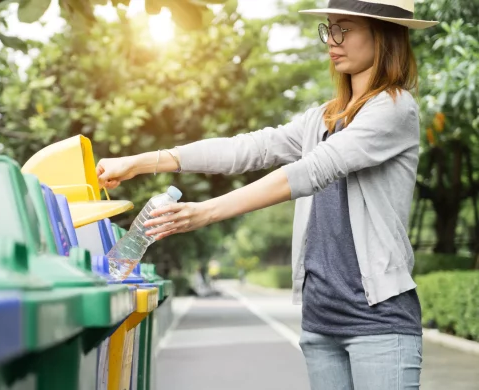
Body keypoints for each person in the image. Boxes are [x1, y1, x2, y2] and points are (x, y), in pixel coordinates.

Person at [95, 1, 438, 388]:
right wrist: (139, 162)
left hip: (378, 322)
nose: (332, 40)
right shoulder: (321, 119)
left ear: (384, 35)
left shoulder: (394, 109)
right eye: (329, 29)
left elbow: (310, 172)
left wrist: (205, 212)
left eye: (345, 29)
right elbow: (247, 149)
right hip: (321, 320)